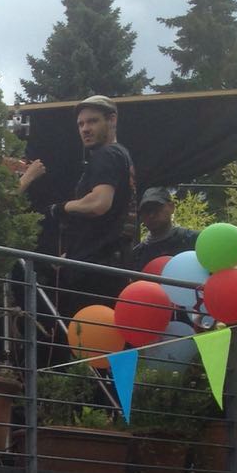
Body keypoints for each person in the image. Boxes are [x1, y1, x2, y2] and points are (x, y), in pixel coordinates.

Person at [46, 95, 136, 315]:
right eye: (81, 124)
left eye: (93, 121)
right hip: (110, 264)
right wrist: (72, 255)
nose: (85, 129)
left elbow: (99, 203)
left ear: (112, 120)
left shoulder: (107, 155)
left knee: (86, 333)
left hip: (95, 272)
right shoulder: (121, 155)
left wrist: (62, 207)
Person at [128, 187, 197, 269]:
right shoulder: (137, 255)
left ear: (171, 207)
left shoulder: (193, 240)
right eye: (146, 210)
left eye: (157, 208)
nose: (151, 215)